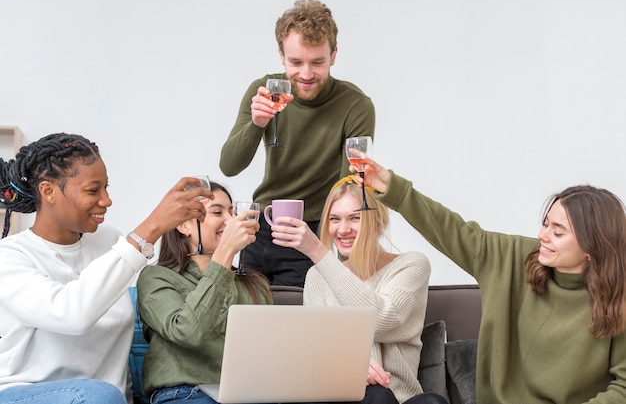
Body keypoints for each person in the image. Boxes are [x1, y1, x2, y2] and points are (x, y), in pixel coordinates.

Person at [350, 155, 626, 403]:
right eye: (545, 224)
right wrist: (393, 188)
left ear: (592, 246)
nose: (543, 235)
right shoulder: (514, 259)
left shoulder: (618, 299)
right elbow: (453, 231)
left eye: (558, 231)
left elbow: (623, 387)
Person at [0, 133, 213, 404]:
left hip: (104, 398)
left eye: (106, 188)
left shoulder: (108, 240)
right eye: (93, 190)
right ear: (48, 191)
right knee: (99, 394)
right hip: (26, 393)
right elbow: (72, 314)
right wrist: (152, 227)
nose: (106, 200)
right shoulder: (10, 257)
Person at [219, 0, 376, 288]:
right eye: (296, 62)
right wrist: (257, 124)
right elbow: (229, 166)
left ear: (334, 54)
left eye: (317, 62)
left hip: (312, 230)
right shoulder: (264, 91)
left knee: (298, 322)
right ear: (281, 55)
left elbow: (350, 184)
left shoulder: (355, 105)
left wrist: (327, 244)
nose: (306, 74)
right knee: (250, 318)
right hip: (260, 226)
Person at [268, 176, 448, 404]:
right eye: (334, 219)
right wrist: (350, 369)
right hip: (340, 397)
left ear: (378, 223)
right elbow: (315, 351)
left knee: (432, 402)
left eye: (355, 218)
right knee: (377, 396)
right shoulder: (317, 276)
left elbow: (382, 320)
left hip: (400, 399)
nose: (343, 229)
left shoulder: (412, 265)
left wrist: (317, 251)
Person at [136, 182, 273, 404]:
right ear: (183, 225)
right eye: (217, 212)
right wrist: (225, 253)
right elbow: (187, 332)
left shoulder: (255, 284)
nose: (230, 221)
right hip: (184, 393)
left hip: (247, 395)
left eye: (232, 212)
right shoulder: (156, 278)